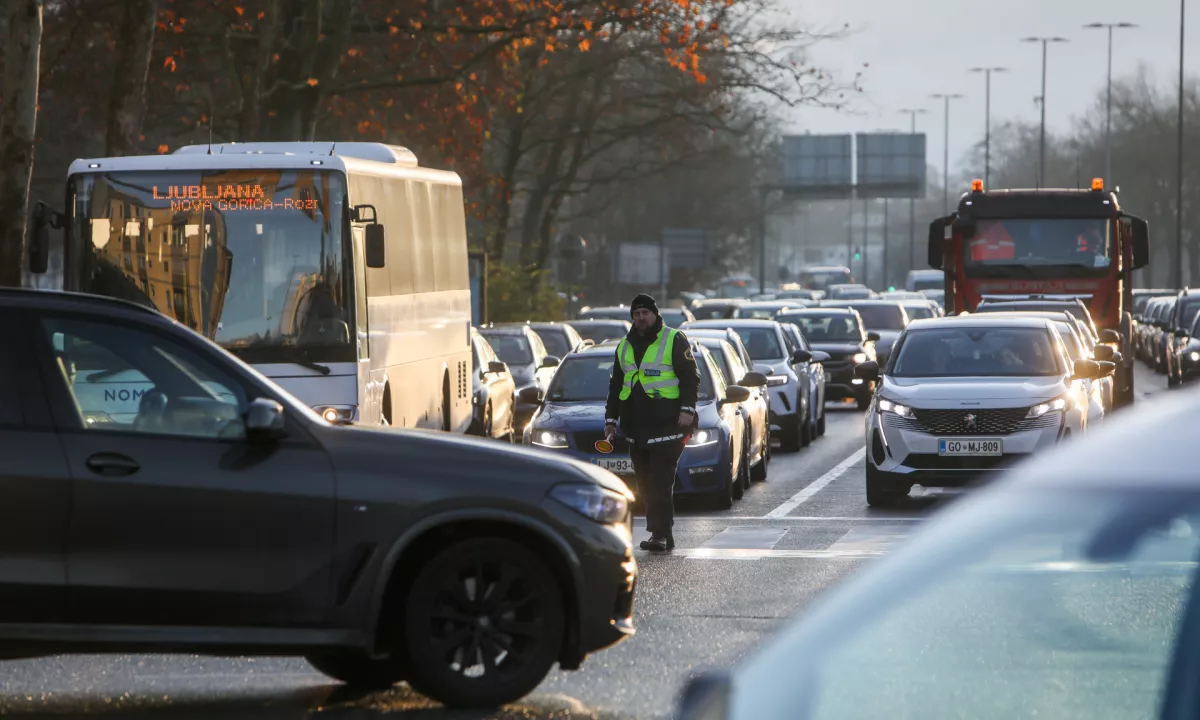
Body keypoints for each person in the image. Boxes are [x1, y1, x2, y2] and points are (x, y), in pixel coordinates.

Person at [604, 294, 700, 553]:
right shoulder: (624, 345)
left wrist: (688, 410)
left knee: (659, 480)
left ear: (655, 314)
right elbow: (616, 385)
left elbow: (690, 377)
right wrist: (611, 420)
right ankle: (663, 533)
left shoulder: (673, 339)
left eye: (645, 313)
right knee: (645, 483)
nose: (640, 318)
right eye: (636, 314)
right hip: (636, 427)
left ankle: (658, 534)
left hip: (668, 424)